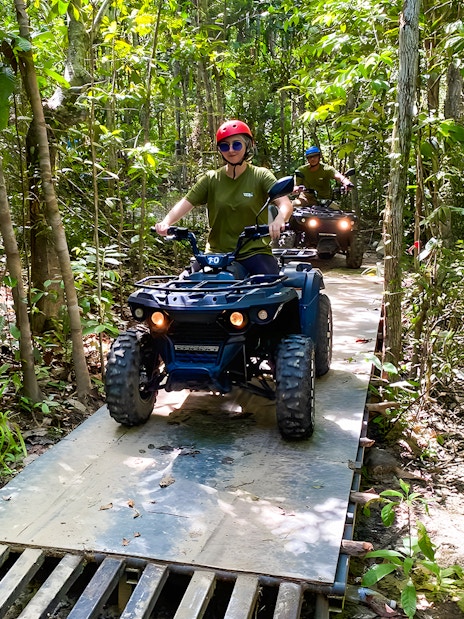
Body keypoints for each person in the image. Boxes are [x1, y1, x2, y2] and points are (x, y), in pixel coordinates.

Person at [155, 119, 293, 276]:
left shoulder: (260, 175)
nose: (231, 150)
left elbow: (285, 204)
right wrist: (166, 223)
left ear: (248, 145)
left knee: (270, 288)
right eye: (225, 146)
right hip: (215, 254)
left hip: (253, 252)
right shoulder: (211, 179)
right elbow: (186, 203)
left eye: (237, 144)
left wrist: (279, 218)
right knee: (185, 283)